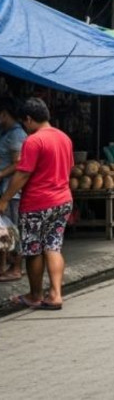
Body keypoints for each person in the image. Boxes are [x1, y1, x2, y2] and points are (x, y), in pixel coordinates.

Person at [0, 98, 73, 310]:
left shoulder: (33, 141)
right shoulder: (64, 138)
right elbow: (69, 168)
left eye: (25, 123)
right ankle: (56, 294)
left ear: (29, 119)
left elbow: (22, 174)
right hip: (62, 199)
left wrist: (4, 199)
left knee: (33, 250)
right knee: (53, 245)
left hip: (37, 202)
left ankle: (35, 295)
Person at [0, 98, 28, 281]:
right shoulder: (7, 133)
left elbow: (19, 164)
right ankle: (11, 265)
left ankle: (16, 267)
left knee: (13, 230)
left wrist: (0, 174)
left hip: (13, 191)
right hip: (7, 189)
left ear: (3, 114)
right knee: (7, 228)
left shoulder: (16, 135)